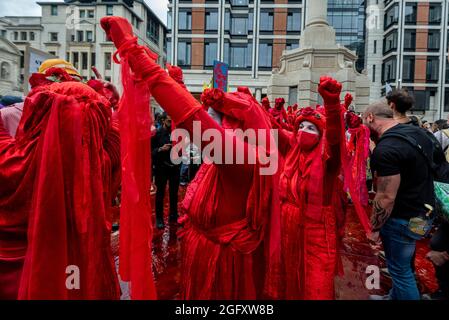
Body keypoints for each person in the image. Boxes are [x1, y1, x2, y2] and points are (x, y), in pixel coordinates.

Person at [101, 16, 280, 300]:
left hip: (221, 268)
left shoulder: (249, 158)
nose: (217, 123)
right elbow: (195, 118)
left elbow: (193, 119)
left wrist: (134, 52)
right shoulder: (235, 149)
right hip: (204, 256)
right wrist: (178, 83)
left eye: (225, 118)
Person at [0, 66, 123, 299]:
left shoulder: (13, 163)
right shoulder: (101, 164)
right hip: (81, 270)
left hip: (17, 272)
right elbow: (116, 130)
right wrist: (109, 99)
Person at [278, 77, 349, 300]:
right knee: (291, 283)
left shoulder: (328, 161)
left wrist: (332, 104)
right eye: (301, 127)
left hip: (318, 235)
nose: (304, 131)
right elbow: (270, 128)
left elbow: (336, 139)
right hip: (289, 230)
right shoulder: (292, 154)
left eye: (312, 128)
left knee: (316, 288)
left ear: (321, 135)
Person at [364, 100, 435, 300]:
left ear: (370, 118)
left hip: (402, 218)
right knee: (403, 265)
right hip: (425, 213)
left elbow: (386, 196)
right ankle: (395, 296)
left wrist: (374, 228)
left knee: (401, 271)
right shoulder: (419, 133)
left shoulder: (386, 149)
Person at [152, 113, 180, 229]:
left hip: (175, 167)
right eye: (169, 121)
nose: (171, 124)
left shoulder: (177, 132)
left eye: (172, 122)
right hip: (161, 168)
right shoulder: (156, 134)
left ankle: (173, 215)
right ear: (163, 121)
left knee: (174, 193)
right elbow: (150, 151)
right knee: (160, 194)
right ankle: (159, 218)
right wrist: (160, 149)